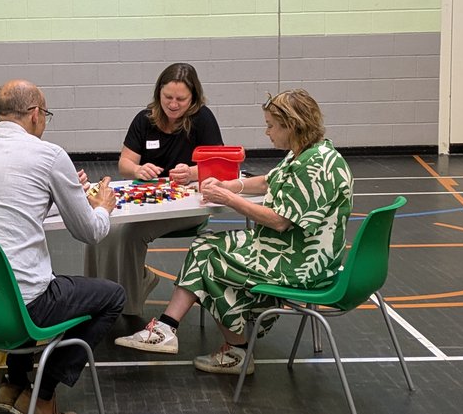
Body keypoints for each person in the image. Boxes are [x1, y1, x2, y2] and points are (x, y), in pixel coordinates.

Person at [114, 89, 354, 376]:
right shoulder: (310, 153)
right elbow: (268, 182)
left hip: (300, 264)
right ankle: (177, 331)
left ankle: (225, 346)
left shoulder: (316, 166)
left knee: (209, 259)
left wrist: (230, 199)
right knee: (206, 247)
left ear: (292, 125)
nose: (267, 132)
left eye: (271, 125)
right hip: (291, 249)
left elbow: (279, 221)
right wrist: (231, 186)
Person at [0, 80, 126, 414]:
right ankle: (44, 395)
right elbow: (90, 232)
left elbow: (14, 199)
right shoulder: (49, 154)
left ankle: (13, 385)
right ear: (35, 114)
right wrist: (103, 205)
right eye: (45, 113)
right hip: (22, 304)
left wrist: (59, 191)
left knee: (19, 277)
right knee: (111, 296)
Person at [84, 62, 223, 315]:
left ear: (194, 98)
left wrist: (192, 172)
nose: (173, 104)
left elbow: (218, 167)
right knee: (101, 227)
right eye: (167, 97)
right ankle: (99, 294)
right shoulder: (145, 119)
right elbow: (125, 164)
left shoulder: (203, 119)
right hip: (149, 199)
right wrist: (138, 170)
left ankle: (127, 307)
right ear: (158, 93)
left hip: (188, 205)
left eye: (181, 99)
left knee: (128, 234)